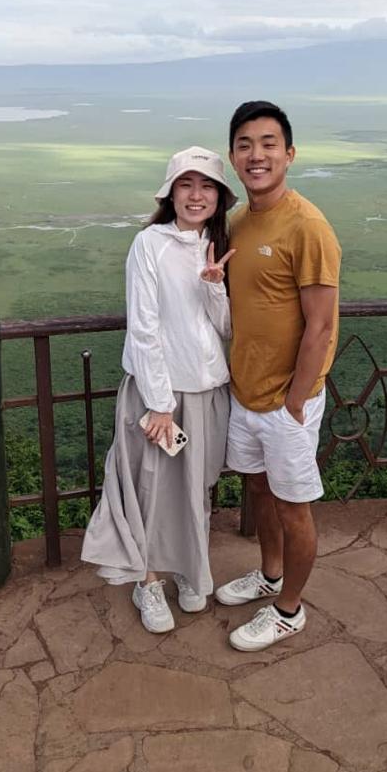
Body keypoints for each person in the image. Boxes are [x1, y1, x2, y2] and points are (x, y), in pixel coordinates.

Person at [81, 146, 236, 633]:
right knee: (151, 490)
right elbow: (144, 328)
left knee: (197, 489)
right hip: (160, 396)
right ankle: (147, 581)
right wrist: (161, 405)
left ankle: (189, 569)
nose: (196, 195)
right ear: (170, 193)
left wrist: (213, 285)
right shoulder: (149, 244)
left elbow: (227, 329)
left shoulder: (219, 243)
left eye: (206, 186)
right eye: (186, 185)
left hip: (209, 391)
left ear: (219, 196)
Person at [215, 101, 341, 651]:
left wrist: (294, 402)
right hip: (246, 392)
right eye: (245, 145)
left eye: (268, 144)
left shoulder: (308, 226)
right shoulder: (238, 223)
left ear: (289, 154)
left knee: (293, 507)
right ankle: (269, 575)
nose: (256, 155)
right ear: (233, 157)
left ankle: (289, 609)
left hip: (288, 400)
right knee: (258, 489)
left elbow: (321, 326)